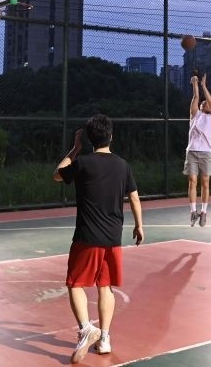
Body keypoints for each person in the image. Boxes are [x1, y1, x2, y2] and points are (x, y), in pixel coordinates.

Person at [54, 114, 145, 362]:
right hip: (113, 238)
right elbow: (134, 197)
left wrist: (75, 148)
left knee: (75, 284)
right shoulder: (123, 165)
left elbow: (58, 174)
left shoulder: (83, 163)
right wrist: (139, 225)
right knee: (105, 286)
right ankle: (104, 339)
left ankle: (86, 329)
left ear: (89, 138)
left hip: (87, 237)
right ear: (111, 136)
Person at [184, 72, 211, 226]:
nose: (204, 103)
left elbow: (209, 100)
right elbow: (196, 97)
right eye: (202, 103)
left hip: (206, 153)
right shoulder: (195, 115)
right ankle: (193, 212)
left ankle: (204, 212)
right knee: (192, 181)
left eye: (206, 103)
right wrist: (195, 85)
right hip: (192, 152)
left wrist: (204, 86)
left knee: (205, 183)